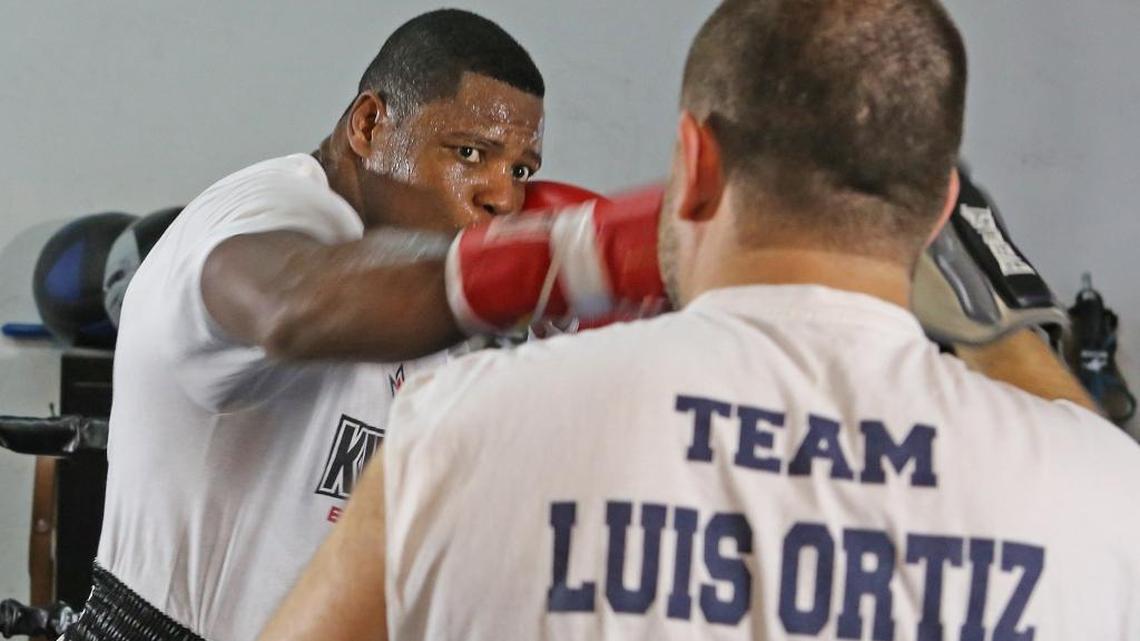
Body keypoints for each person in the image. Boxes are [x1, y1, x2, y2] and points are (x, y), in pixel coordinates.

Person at [259, 1, 1140, 640]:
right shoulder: (1102, 494)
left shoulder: (468, 423)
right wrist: (1006, 324)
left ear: (695, 161)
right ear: (938, 203)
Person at [71, 10, 568, 641]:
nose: (503, 197)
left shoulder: (432, 285)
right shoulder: (267, 210)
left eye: (522, 170)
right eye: (470, 153)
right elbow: (289, 305)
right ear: (368, 125)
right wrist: (557, 259)